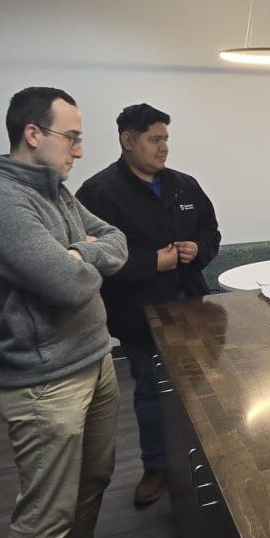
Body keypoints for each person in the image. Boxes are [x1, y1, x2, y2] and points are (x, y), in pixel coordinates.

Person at [0, 87, 141, 538]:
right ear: (32, 134)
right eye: (72, 137)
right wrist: (83, 260)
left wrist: (80, 251)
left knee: (93, 480)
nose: (79, 151)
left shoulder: (57, 193)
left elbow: (116, 241)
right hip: (45, 383)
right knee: (43, 516)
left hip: (94, 360)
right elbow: (66, 285)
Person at [77, 103, 221, 506]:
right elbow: (87, 260)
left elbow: (212, 231)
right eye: (154, 140)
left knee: (202, 387)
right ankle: (156, 467)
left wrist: (199, 249)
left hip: (191, 303)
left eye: (166, 140)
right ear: (128, 140)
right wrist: (151, 262)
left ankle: (207, 459)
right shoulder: (97, 194)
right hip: (141, 313)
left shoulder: (184, 186)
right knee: (151, 390)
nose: (163, 149)